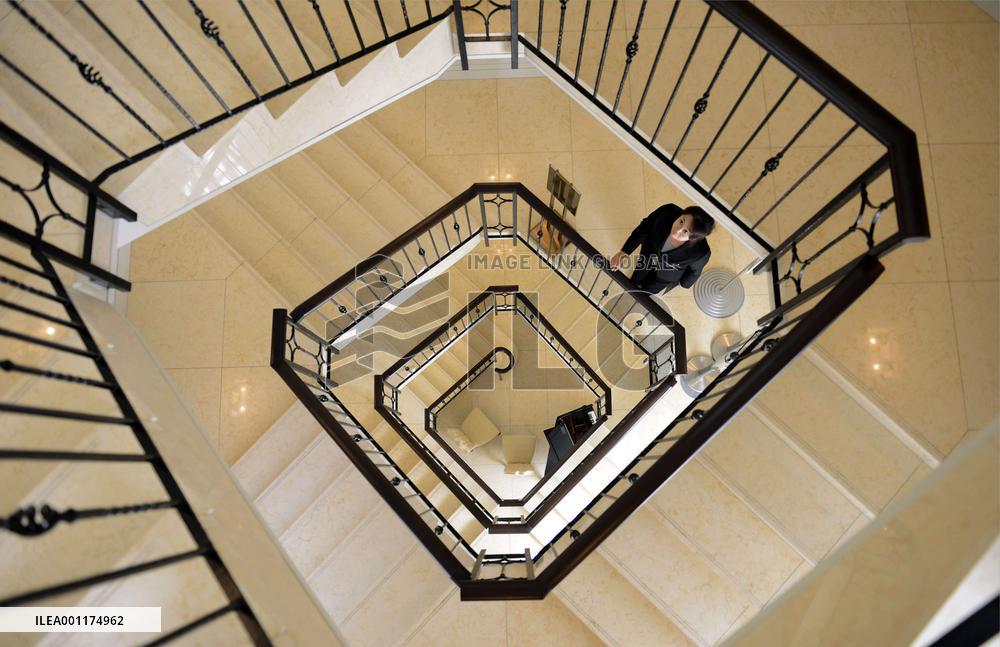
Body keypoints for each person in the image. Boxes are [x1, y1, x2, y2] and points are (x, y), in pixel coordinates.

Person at [609, 204, 715, 295]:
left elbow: (694, 272)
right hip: (650, 252)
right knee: (639, 273)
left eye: (685, 231)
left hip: (667, 274)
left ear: (693, 238)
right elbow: (645, 228)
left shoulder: (700, 253)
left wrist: (685, 284)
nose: (677, 230)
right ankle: (635, 283)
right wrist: (624, 252)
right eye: (681, 221)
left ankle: (644, 294)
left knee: (651, 288)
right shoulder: (667, 212)